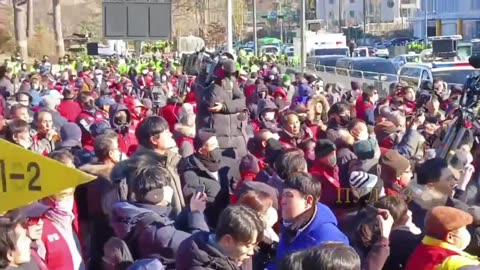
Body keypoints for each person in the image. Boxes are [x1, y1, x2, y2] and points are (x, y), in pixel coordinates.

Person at [109, 154, 208, 268]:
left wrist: (190, 210)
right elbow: (201, 248)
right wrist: (197, 213)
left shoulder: (133, 215)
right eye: (167, 186)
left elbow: (172, 227)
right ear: (157, 194)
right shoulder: (158, 232)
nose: (171, 189)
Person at [109, 116, 185, 219]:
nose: (171, 134)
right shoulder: (141, 170)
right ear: (154, 140)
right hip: (159, 227)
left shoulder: (169, 160)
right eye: (166, 133)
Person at [269, 172, 348, 270]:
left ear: (308, 201)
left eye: (288, 196)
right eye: (283, 195)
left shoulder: (329, 240)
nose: (282, 201)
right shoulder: (291, 225)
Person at [79, 135, 124, 269]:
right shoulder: (110, 180)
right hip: (109, 234)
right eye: (117, 148)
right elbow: (109, 210)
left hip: (92, 235)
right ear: (110, 153)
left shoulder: (86, 176)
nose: (119, 151)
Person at [176, 205, 265, 270]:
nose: (251, 252)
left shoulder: (203, 241)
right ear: (227, 240)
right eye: (247, 245)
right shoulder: (200, 264)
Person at [179, 130, 231, 228]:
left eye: (217, 144)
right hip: (208, 223)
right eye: (212, 145)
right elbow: (194, 200)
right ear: (201, 150)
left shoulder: (221, 163)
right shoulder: (191, 172)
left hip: (226, 219)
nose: (216, 148)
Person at [406, 206, 479, 269]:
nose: (466, 232)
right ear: (450, 237)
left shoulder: (420, 250)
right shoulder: (454, 262)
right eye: (464, 229)